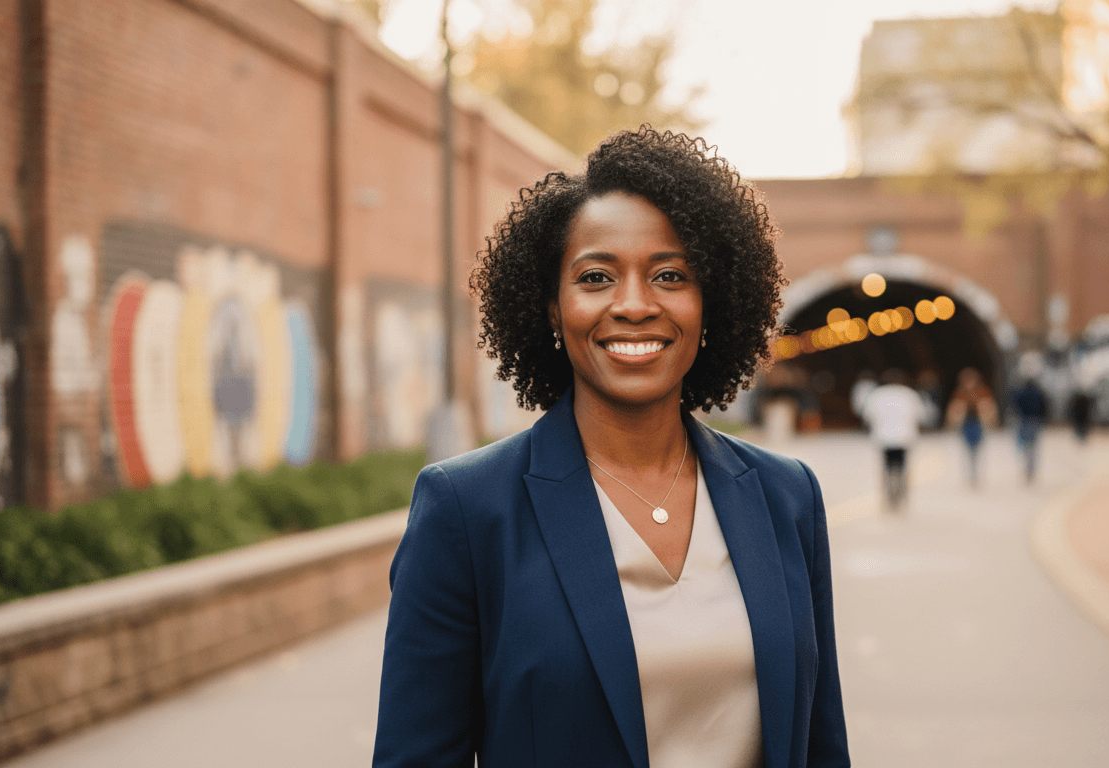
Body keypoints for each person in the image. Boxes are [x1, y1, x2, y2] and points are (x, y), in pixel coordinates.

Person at [372, 127, 850, 768]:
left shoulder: (786, 496)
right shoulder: (466, 509)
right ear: (551, 307)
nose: (633, 304)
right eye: (596, 276)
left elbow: (821, 747)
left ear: (712, 304)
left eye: (670, 275)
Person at [861, 369, 930, 509]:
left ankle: (889, 495)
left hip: (883, 438)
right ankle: (901, 494)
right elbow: (922, 416)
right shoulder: (909, 394)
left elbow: (866, 417)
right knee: (902, 467)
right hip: (904, 438)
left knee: (887, 467)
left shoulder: (876, 395)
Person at [946, 367, 997, 487]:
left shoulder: (982, 392)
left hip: (978, 424)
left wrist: (991, 420)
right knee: (968, 451)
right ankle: (971, 474)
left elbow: (990, 407)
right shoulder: (960, 393)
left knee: (977, 450)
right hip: (965, 425)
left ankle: (976, 474)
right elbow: (953, 409)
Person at [1010, 376, 1049, 482]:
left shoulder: (1020, 392)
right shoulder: (1038, 393)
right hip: (1035, 421)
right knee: (1033, 447)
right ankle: (1031, 469)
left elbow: (1014, 404)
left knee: (1024, 447)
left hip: (1023, 420)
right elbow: (1044, 406)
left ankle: (1027, 468)